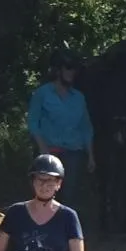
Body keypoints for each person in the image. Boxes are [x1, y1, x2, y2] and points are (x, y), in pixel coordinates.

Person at [26, 49, 95, 206]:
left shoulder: (78, 97)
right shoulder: (42, 94)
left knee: (70, 196)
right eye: (68, 68)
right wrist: (43, 149)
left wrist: (91, 155)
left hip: (73, 152)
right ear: (58, 70)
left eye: (74, 69)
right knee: (45, 194)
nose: (72, 72)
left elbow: (86, 127)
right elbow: (33, 122)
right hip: (49, 151)